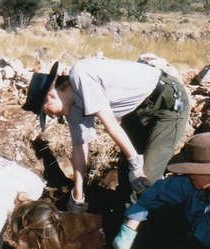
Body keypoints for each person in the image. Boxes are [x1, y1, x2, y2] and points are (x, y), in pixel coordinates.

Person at [22, 57, 191, 209]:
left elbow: (110, 125)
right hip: (137, 110)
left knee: (146, 178)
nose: (52, 116)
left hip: (167, 102)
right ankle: (119, 220)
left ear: (51, 95)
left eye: (48, 111)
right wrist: (78, 194)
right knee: (126, 175)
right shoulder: (73, 110)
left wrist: (137, 165)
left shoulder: (80, 75)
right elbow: (80, 149)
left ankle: (139, 236)